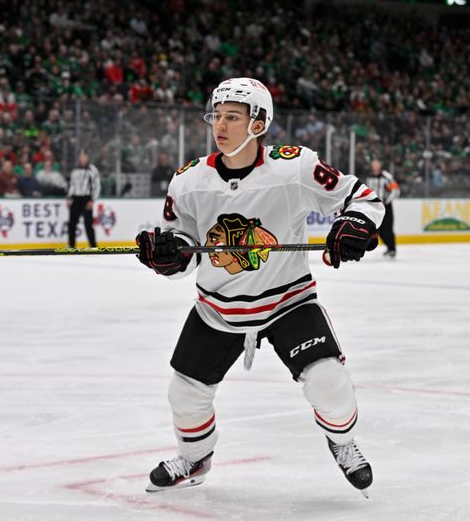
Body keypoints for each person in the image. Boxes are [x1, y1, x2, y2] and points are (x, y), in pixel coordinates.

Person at [135, 78, 384, 496]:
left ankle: (342, 443)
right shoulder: (189, 180)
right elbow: (184, 246)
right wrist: (168, 255)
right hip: (217, 309)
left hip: (288, 302)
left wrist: (354, 222)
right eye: (217, 116)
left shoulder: (295, 167)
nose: (221, 125)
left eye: (233, 116)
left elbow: (362, 197)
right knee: (184, 392)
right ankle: (195, 458)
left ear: (259, 123)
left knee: (329, 382)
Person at [365, 158, 400, 258]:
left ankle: (392, 249)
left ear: (380, 165)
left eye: (377, 163)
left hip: (386, 207)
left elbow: (396, 190)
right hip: (375, 208)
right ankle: (389, 248)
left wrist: (385, 201)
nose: (375, 166)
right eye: (373, 164)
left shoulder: (387, 176)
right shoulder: (369, 177)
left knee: (388, 228)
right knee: (378, 230)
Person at [67, 150, 101, 248]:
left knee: (88, 224)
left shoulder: (92, 169)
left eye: (84, 156)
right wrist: (69, 198)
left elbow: (97, 186)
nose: (82, 159)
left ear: (87, 157)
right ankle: (71, 245)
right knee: (71, 224)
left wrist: (92, 200)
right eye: (80, 157)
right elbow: (72, 185)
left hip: (86, 199)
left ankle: (93, 246)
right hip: (76, 198)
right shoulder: (75, 170)